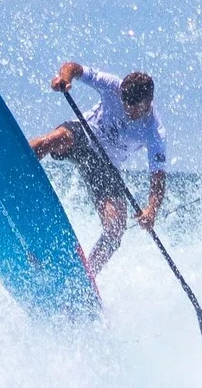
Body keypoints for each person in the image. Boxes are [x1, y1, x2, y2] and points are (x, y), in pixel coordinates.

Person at [30, 63, 167, 276]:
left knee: (115, 228)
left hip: (106, 167)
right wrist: (65, 79)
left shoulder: (155, 131)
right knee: (50, 140)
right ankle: (7, 166)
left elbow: (157, 176)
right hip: (83, 135)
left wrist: (151, 210)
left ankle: (85, 277)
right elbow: (73, 67)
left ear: (148, 102)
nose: (128, 110)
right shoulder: (113, 85)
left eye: (134, 108)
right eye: (125, 104)